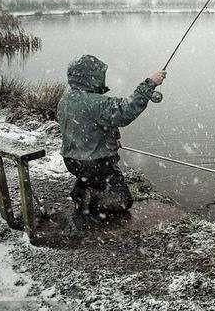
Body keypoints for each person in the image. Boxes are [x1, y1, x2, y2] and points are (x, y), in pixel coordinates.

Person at [57, 54, 165, 228]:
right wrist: (150, 83)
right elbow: (125, 110)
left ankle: (81, 192)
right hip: (96, 163)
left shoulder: (66, 99)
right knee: (123, 201)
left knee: (88, 177)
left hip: (71, 161)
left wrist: (109, 139)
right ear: (90, 77)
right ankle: (91, 206)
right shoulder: (96, 102)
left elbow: (86, 126)